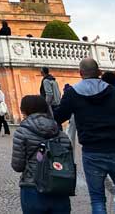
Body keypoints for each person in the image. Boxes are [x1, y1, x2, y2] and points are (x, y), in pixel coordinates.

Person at [54, 58, 115, 214]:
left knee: (97, 199)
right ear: (99, 72)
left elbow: (59, 117)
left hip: (92, 151)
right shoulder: (112, 90)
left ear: (80, 73)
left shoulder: (72, 93)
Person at [12, 95, 72, 214]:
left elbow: (17, 166)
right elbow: (68, 162)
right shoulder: (62, 135)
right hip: (60, 186)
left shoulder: (21, 132)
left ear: (24, 110)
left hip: (32, 186)